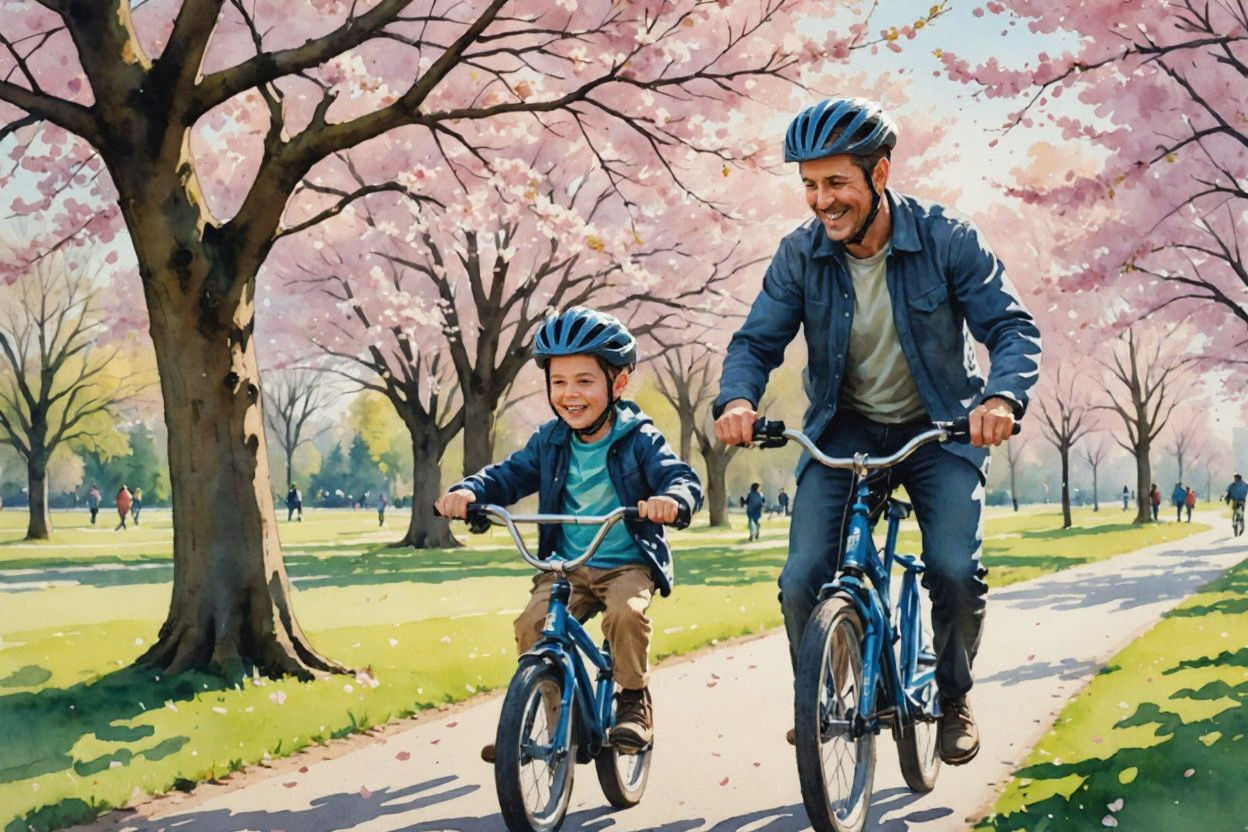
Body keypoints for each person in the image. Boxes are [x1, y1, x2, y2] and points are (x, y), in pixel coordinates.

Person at [713, 98, 1041, 766]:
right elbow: (755, 341)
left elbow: (1010, 328)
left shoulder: (946, 239)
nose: (821, 200)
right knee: (802, 575)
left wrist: (1002, 396)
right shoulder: (800, 256)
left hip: (943, 427)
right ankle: (828, 696)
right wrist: (738, 398)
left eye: (836, 183)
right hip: (844, 430)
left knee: (952, 569)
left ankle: (953, 697)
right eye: (809, 184)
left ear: (880, 172)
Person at [436, 308, 702, 762]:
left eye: (584, 381)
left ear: (617, 385)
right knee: (532, 625)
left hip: (626, 562)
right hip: (566, 566)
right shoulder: (550, 441)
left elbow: (678, 476)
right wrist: (469, 491)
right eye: (559, 383)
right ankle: (551, 719)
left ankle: (633, 698)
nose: (570, 394)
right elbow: (509, 475)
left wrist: (673, 499)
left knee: (625, 614)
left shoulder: (639, 437)